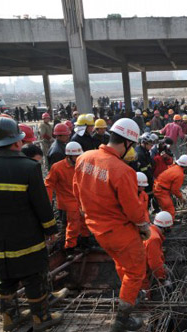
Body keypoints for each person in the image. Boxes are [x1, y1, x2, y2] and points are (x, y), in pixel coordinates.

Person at [73, 118, 149, 332]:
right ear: (127, 143)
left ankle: (128, 295)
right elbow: (133, 209)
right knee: (135, 271)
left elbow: (76, 190)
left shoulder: (84, 158)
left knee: (121, 263)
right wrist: (144, 226)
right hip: (120, 231)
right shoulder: (122, 170)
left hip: (97, 229)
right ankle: (122, 321)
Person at [0, 117, 63, 331]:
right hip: (26, 236)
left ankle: (9, 318)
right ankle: (41, 318)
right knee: (34, 276)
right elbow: (42, 205)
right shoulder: (29, 167)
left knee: (4, 276)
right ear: (17, 143)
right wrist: (51, 229)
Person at [45, 141, 90, 260]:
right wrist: (47, 201)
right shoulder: (58, 167)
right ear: (68, 156)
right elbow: (49, 184)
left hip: (81, 200)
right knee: (73, 225)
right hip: (67, 201)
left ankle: (84, 242)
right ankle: (69, 248)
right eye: (76, 156)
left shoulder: (82, 165)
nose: (78, 158)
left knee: (85, 222)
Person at [142, 211, 172, 298]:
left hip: (138, 265)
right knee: (143, 295)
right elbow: (155, 264)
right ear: (165, 227)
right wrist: (162, 279)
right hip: (140, 271)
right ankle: (143, 310)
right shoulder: (154, 238)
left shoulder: (150, 230)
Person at [153, 155, 187, 220]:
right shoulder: (180, 174)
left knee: (166, 208)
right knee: (170, 210)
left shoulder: (174, 167)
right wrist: (181, 197)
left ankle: (166, 220)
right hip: (161, 191)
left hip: (159, 186)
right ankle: (168, 225)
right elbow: (174, 190)